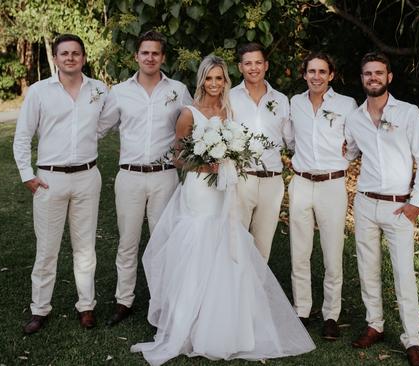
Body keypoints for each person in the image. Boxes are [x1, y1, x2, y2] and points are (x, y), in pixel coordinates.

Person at [131, 55, 315, 366]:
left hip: (224, 189)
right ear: (201, 80)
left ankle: (225, 323)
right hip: (199, 189)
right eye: (210, 78)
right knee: (199, 247)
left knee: (227, 245)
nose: (215, 84)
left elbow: (239, 145)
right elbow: (177, 157)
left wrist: (229, 158)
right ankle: (188, 323)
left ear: (225, 81)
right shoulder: (188, 113)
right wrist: (207, 163)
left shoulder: (228, 110)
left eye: (220, 79)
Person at [13, 34, 112, 334]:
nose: (70, 58)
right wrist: (27, 174)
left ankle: (86, 306)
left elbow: (104, 125)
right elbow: (22, 136)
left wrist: (87, 140)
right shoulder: (39, 92)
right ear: (55, 58)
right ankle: (40, 309)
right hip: (49, 180)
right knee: (47, 250)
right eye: (64, 53)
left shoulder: (99, 90)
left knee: (85, 248)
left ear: (83, 57)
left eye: (76, 53)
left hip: (87, 177)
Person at [345, 51, 419, 366]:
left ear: (389, 77)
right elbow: (351, 152)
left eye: (378, 73)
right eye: (368, 73)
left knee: (403, 273)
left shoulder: (409, 113)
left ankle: (412, 340)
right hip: (366, 202)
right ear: (362, 78)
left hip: (399, 207)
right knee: (367, 268)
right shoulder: (354, 118)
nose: (373, 78)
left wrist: (415, 203)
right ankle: (375, 325)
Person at [98, 30, 192, 326]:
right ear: (136, 56)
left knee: (163, 242)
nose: (150, 57)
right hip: (130, 177)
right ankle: (124, 300)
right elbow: (100, 128)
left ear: (163, 58)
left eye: (155, 53)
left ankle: (162, 302)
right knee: (127, 241)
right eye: (145, 52)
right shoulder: (119, 92)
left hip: (165, 177)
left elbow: (193, 126)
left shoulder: (177, 89)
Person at [287, 52, 357, 340]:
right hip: (302, 182)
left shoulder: (346, 105)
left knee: (331, 252)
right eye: (311, 71)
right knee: (299, 251)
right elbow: (290, 139)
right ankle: (302, 309)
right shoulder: (295, 103)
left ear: (331, 75)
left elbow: (354, 142)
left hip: (332, 185)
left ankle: (331, 314)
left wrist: (345, 157)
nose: (316, 76)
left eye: (322, 71)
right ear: (304, 74)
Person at [229, 43, 291, 262]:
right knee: (235, 244)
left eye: (258, 63)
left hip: (271, 182)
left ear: (266, 65)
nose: (253, 68)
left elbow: (291, 140)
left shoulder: (281, 100)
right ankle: (234, 292)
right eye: (248, 63)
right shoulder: (229, 97)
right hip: (240, 179)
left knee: (262, 248)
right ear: (240, 67)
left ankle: (254, 295)